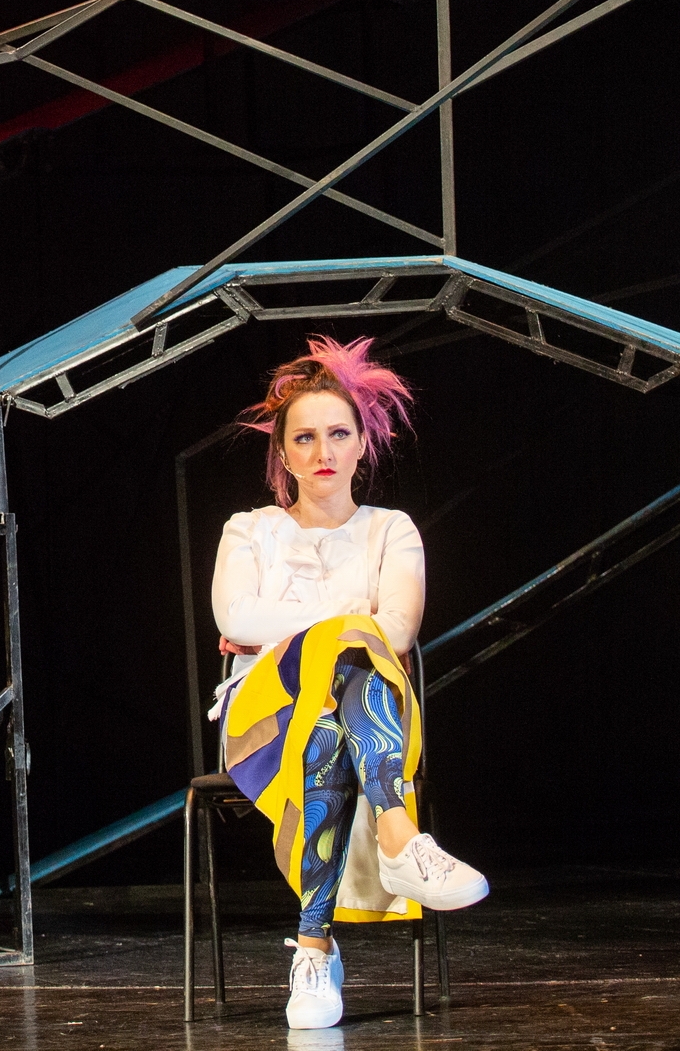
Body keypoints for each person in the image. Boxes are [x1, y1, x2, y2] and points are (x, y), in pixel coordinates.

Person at [209, 335, 490, 1030]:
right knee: (349, 641)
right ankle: (401, 839)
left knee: (333, 720)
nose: (322, 451)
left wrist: (289, 629)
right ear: (283, 454)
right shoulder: (248, 531)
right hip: (264, 722)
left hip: (356, 721)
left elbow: (397, 631)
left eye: (338, 434)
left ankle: (314, 952)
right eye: (304, 438)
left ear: (364, 444)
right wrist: (344, 618)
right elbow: (234, 615)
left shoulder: (391, 531)